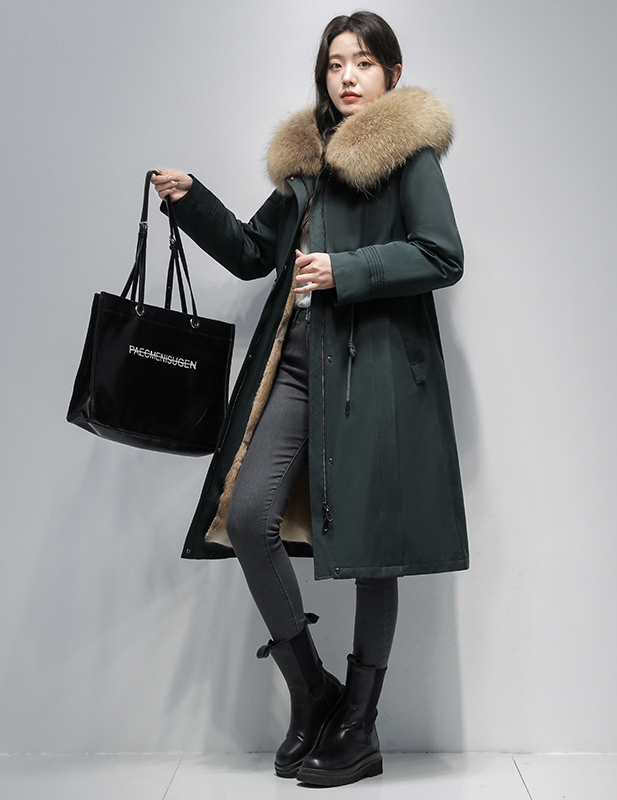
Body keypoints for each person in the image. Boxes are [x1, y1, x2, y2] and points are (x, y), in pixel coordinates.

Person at [152, 11, 468, 787]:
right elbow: (254, 253)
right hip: (295, 366)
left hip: (374, 373)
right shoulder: (308, 161)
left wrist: (345, 271)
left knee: (373, 550)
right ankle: (313, 691)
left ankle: (360, 723)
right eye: (335, 63)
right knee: (249, 516)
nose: (348, 76)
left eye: (364, 62)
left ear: (392, 73)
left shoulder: (410, 158)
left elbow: (442, 254)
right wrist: (192, 200)